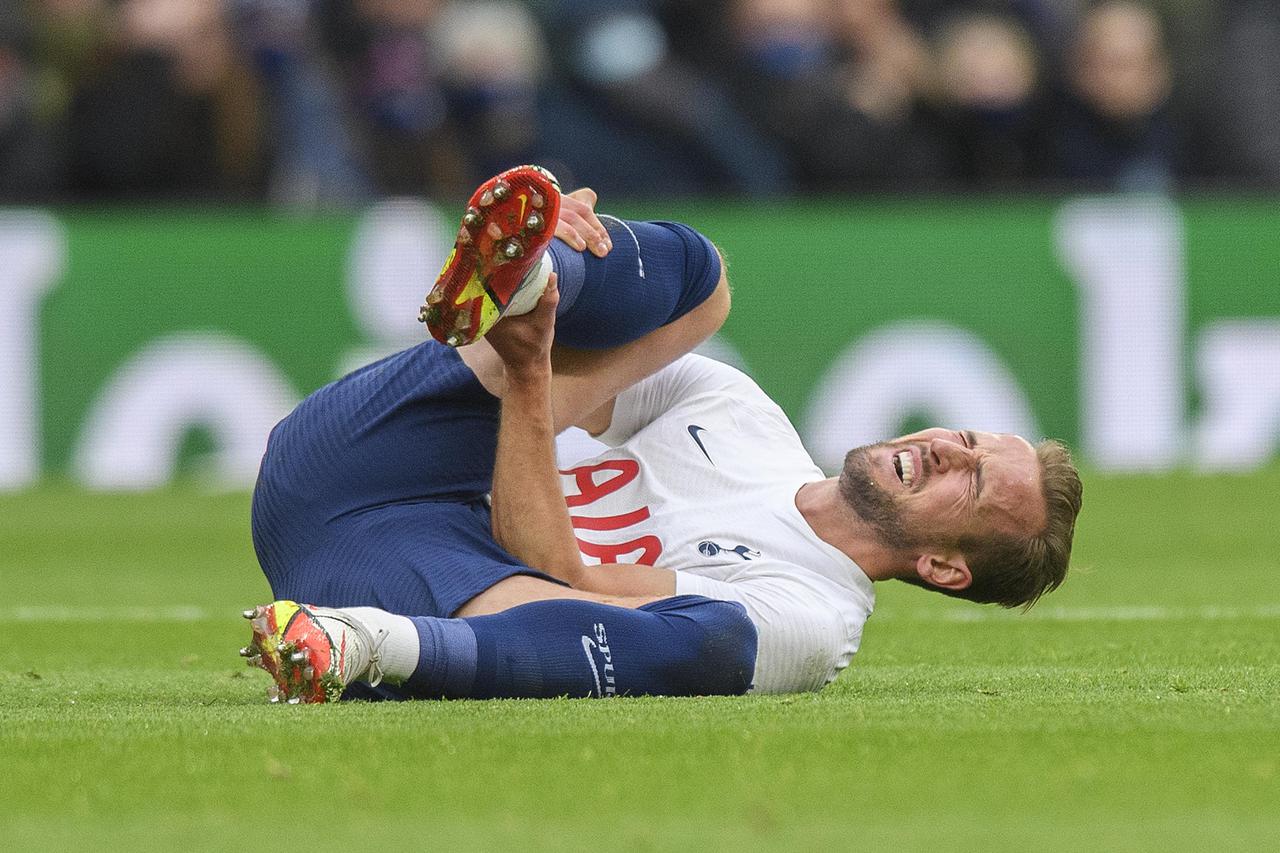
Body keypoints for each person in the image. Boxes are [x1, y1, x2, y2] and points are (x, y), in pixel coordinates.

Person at [241, 164, 1083, 703]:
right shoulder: (740, 414)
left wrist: (532, 372)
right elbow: (619, 355)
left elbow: (553, 572)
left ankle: (355, 646)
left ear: (942, 566)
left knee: (699, 646)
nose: (947, 448)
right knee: (702, 281)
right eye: (969, 438)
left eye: (968, 480)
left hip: (411, 588)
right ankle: (537, 265)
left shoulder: (810, 616)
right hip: (335, 464)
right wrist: (562, 300)